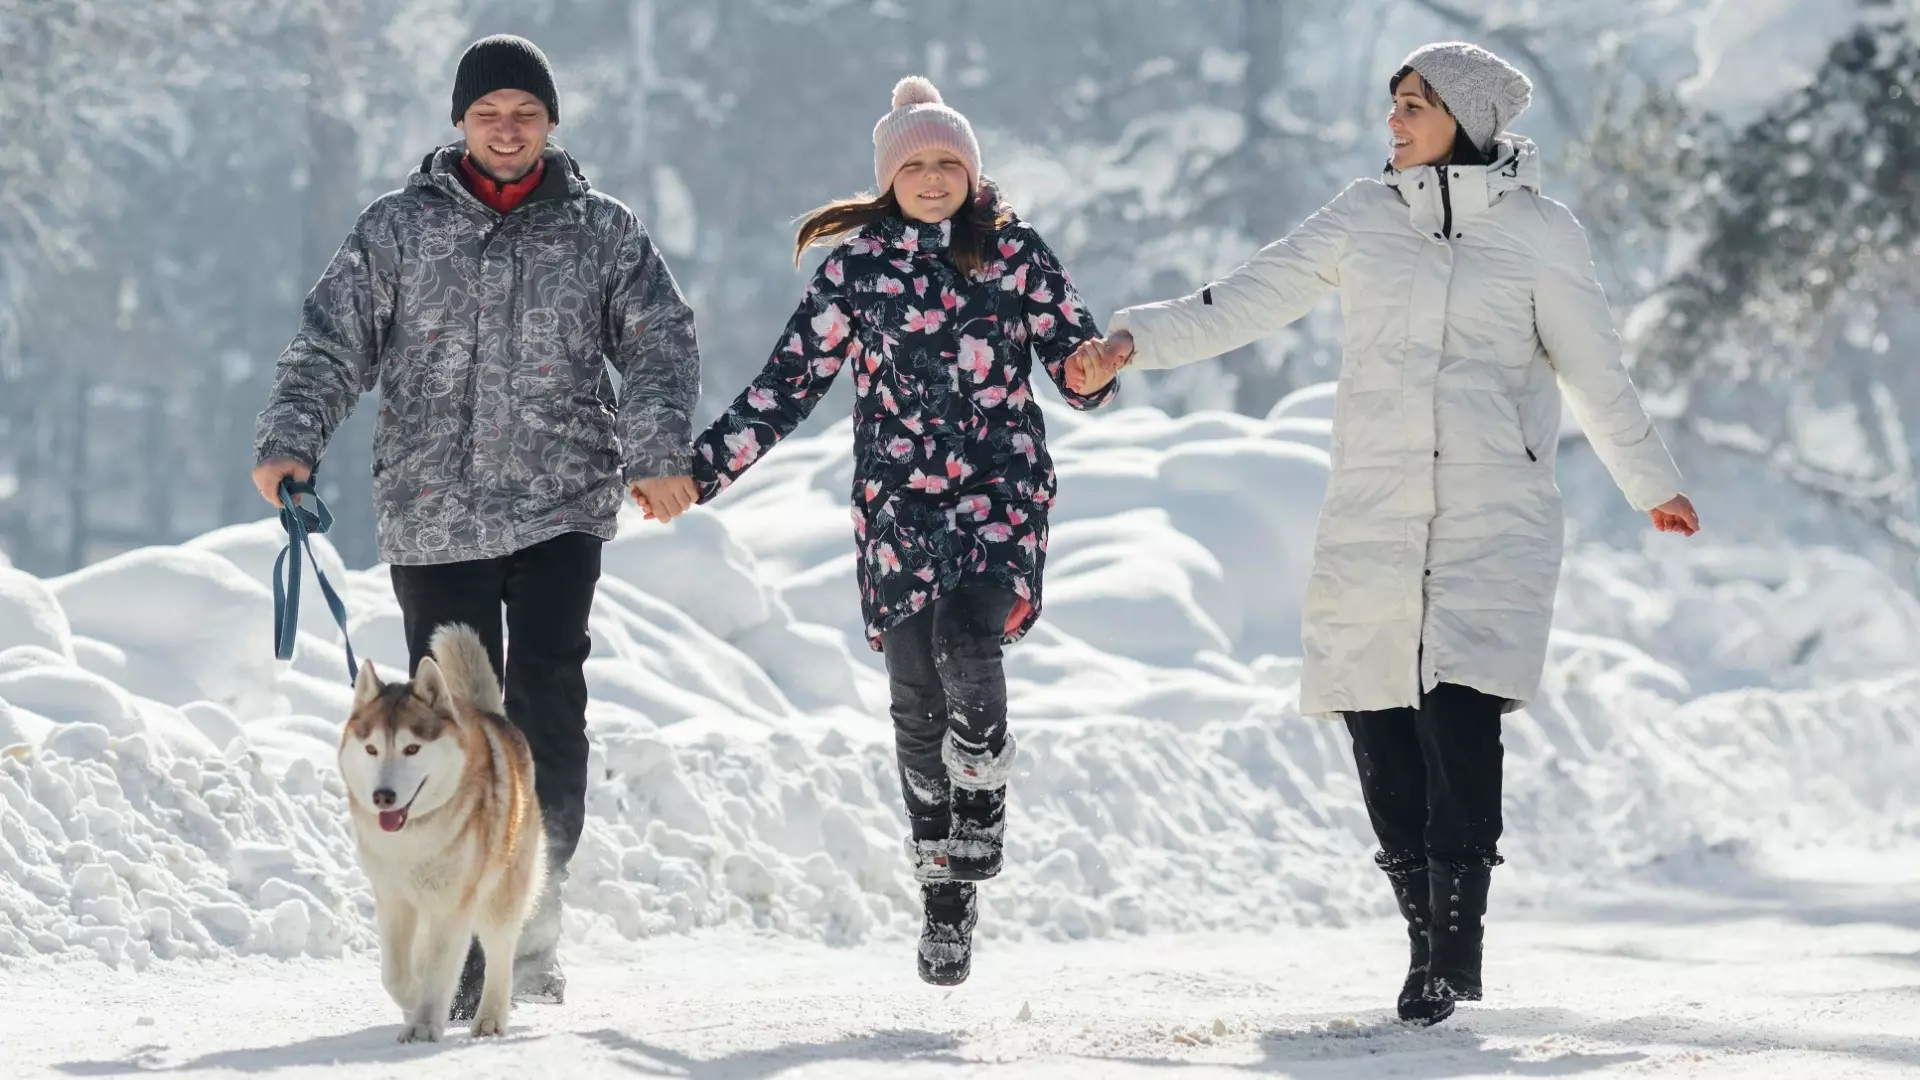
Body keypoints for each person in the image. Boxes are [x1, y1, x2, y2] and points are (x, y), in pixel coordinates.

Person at [1067, 42, 1700, 1025]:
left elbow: (1595, 370)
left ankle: (1456, 944)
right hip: (1374, 508)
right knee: (1381, 726)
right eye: (1393, 105)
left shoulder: (1542, 235)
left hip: (1496, 512)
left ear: (1467, 117)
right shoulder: (1363, 217)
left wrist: (1651, 482)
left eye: (1414, 106)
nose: (1394, 123)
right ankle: (1423, 941)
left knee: (1460, 710)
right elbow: (1248, 295)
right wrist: (1130, 344)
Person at [250, 33, 701, 1016]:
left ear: (550, 126)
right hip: (435, 512)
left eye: (526, 114)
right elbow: (331, 342)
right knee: (451, 733)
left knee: (544, 715)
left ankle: (528, 916)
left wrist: (659, 449)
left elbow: (661, 340)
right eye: (490, 113)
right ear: (460, 123)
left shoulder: (601, 232)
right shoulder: (397, 229)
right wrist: (292, 439)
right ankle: (459, 940)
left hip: (558, 508)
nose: (508, 129)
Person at [641, 76, 1117, 985]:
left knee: (970, 638)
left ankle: (983, 790)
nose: (934, 178)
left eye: (949, 163)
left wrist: (1095, 369)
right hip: (898, 507)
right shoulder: (855, 273)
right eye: (916, 165)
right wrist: (700, 474)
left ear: (972, 175)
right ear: (889, 178)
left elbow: (1076, 366)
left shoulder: (1015, 255)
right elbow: (785, 389)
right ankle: (944, 892)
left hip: (1000, 493)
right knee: (913, 699)